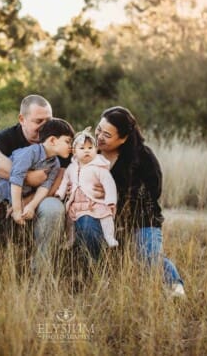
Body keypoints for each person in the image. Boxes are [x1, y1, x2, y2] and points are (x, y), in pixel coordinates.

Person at [75, 106, 185, 297]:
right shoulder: (88, 152)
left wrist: (115, 195)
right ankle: (97, 276)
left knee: (148, 256)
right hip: (98, 218)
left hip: (140, 221)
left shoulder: (143, 158)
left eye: (107, 135)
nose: (99, 137)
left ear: (123, 138)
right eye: (98, 130)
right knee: (85, 224)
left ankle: (176, 288)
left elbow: (152, 194)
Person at [0, 95, 69, 269]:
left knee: (53, 208)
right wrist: (27, 177)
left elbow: (62, 174)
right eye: (38, 121)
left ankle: (40, 270)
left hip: (39, 200)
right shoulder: (9, 136)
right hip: (5, 195)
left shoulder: (57, 138)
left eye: (48, 120)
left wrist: (27, 202)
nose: (45, 127)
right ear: (22, 119)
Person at [55, 128, 118, 248]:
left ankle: (109, 237)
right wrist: (60, 193)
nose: (87, 151)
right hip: (76, 204)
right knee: (70, 222)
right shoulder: (71, 168)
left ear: (96, 150)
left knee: (106, 217)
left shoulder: (99, 167)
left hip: (95, 202)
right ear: (74, 152)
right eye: (82, 148)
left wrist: (110, 201)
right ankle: (70, 239)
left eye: (90, 148)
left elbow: (109, 184)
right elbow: (65, 181)